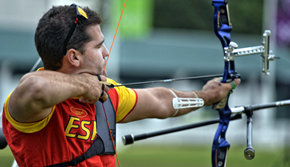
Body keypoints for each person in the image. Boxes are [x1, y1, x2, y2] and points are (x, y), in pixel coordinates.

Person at [2, 4, 240, 167]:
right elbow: (34, 87)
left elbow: (160, 101)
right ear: (74, 57)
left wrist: (206, 96)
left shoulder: (103, 94)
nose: (106, 52)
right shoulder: (33, 108)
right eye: (98, 46)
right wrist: (83, 86)